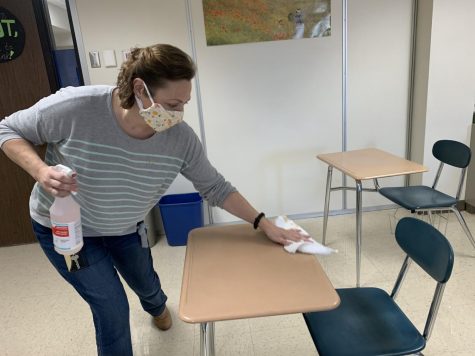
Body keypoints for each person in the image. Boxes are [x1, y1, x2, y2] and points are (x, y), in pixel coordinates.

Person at [0, 43, 307, 355]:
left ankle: (157, 306)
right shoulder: (76, 107)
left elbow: (215, 187)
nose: (176, 114)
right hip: (69, 232)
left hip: (125, 227)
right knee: (111, 306)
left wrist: (262, 223)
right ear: (140, 89)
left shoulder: (180, 139)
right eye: (172, 103)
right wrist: (40, 169)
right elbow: (8, 129)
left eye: (183, 104)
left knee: (146, 282)